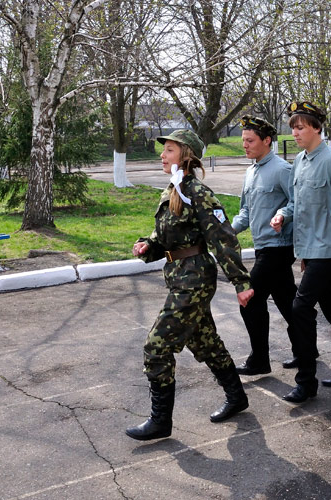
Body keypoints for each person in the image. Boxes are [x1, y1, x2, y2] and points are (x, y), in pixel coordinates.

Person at [127, 129, 255, 441]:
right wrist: (148, 245)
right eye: (164, 150)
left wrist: (241, 281)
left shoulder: (198, 192)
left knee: (156, 347)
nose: (162, 155)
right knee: (205, 342)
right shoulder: (174, 188)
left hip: (194, 279)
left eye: (169, 150)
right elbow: (167, 235)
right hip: (180, 275)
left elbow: (223, 238)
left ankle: (160, 421)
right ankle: (237, 397)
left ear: (185, 155)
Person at [270, 101, 331, 403]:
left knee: (300, 309)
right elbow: (296, 203)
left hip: (328, 249)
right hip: (310, 249)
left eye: (300, 127)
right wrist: (282, 214)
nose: (295, 133)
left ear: (316, 128)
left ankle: (306, 381)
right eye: (293, 128)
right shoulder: (299, 161)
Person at [231, 116, 297, 375]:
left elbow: (297, 202)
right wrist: (227, 231)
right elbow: (245, 212)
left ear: (267, 140)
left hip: (279, 247)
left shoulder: (282, 169)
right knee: (287, 300)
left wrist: (283, 215)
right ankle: (306, 349)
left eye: (250, 140)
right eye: (243, 140)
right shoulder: (251, 172)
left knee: (249, 298)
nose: (245, 145)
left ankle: (259, 360)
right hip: (262, 246)